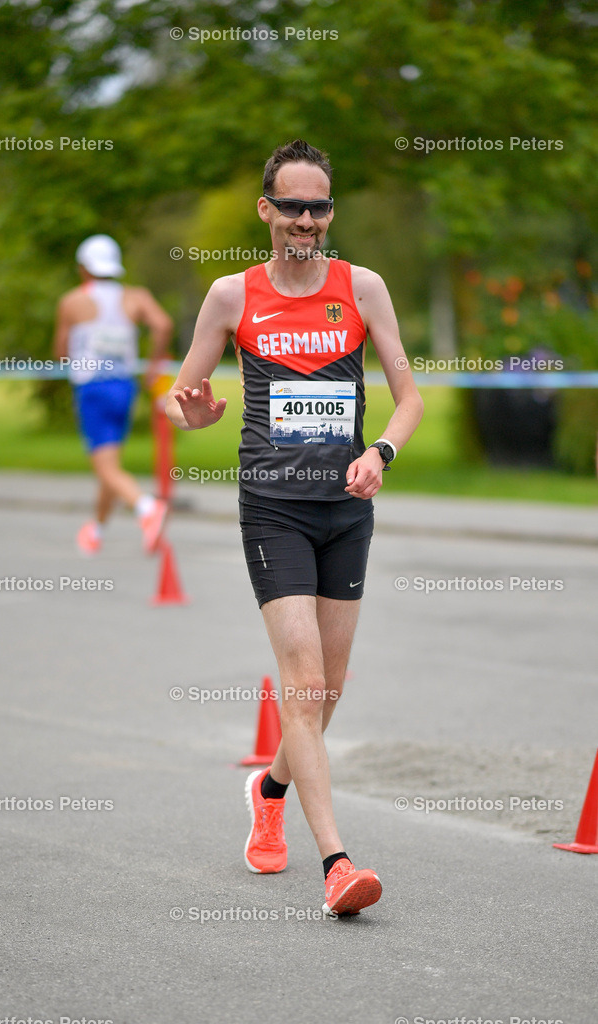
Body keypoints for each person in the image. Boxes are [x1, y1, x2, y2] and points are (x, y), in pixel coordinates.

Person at [165, 140, 423, 916]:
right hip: (272, 507)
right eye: (292, 207)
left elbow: (410, 400)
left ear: (328, 213)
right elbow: (180, 393)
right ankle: (337, 865)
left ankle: (269, 788)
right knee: (304, 683)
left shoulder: (362, 289)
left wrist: (380, 451)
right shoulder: (230, 296)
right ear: (266, 211)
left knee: (325, 692)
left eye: (318, 207)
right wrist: (197, 410)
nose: (305, 220)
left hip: (347, 509)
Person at [54, 234, 173, 555]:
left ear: (84, 269)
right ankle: (96, 530)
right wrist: (153, 366)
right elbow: (162, 324)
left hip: (92, 388)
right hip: (124, 386)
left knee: (104, 466)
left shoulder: (72, 301)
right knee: (111, 463)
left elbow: (61, 352)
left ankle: (147, 508)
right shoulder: (135, 296)